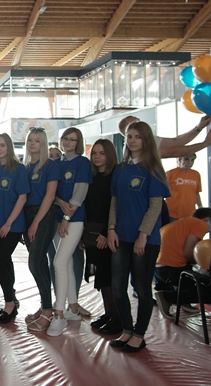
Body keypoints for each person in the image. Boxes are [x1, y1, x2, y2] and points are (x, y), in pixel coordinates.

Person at [107, 121, 170, 353]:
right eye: (129, 136)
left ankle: (139, 335)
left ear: (146, 140)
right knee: (117, 287)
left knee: (142, 288)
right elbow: (114, 201)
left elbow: (155, 207)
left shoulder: (153, 169)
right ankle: (126, 329)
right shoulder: (121, 169)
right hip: (120, 236)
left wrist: (143, 234)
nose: (132, 140)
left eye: (137, 136)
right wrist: (111, 228)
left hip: (145, 239)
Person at [48, 127, 92, 336]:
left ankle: (59, 313)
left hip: (74, 219)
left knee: (58, 262)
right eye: (65, 138)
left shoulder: (82, 163)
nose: (67, 142)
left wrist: (66, 218)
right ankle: (73, 308)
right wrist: (59, 203)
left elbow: (80, 194)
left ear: (78, 142)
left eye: (72, 139)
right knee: (65, 263)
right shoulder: (56, 163)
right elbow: (52, 192)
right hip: (57, 218)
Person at [0, 133, 29, 324]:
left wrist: (9, 223)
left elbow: (22, 197)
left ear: (9, 147)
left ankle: (9, 303)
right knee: (5, 262)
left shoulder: (18, 169)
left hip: (12, 224)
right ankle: (11, 301)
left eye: (2, 145)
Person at [22, 128, 59, 332]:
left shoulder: (50, 165)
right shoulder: (26, 167)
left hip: (43, 216)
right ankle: (46, 306)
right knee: (40, 263)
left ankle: (47, 311)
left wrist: (36, 222)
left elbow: (50, 195)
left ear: (43, 143)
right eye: (30, 140)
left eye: (37, 140)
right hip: (28, 215)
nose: (32, 143)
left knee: (35, 263)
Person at [84, 139, 121, 335]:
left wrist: (107, 232)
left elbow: (116, 208)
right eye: (94, 153)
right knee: (101, 277)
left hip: (108, 232)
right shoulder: (92, 177)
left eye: (102, 153)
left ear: (109, 155)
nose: (97, 157)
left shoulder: (115, 176)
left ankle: (117, 318)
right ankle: (109, 314)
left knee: (108, 277)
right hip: (92, 231)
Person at [154, 208, 211, 318]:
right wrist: (203, 265)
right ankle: (168, 298)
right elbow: (188, 252)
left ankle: (183, 301)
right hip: (172, 269)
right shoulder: (199, 224)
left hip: (158, 269)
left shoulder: (180, 224)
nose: (209, 230)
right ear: (206, 219)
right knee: (210, 290)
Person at [118, 114, 211, 159]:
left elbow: (176, 141)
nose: (140, 124)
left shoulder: (148, 139)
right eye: (136, 123)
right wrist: (204, 144)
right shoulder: (135, 146)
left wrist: (199, 127)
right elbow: (173, 152)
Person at [166, 154, 203, 220]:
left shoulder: (196, 174)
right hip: (172, 213)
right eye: (186, 159)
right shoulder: (170, 174)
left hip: (190, 213)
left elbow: (196, 193)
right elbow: (161, 193)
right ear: (179, 160)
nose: (190, 163)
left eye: (192, 160)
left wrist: (200, 206)